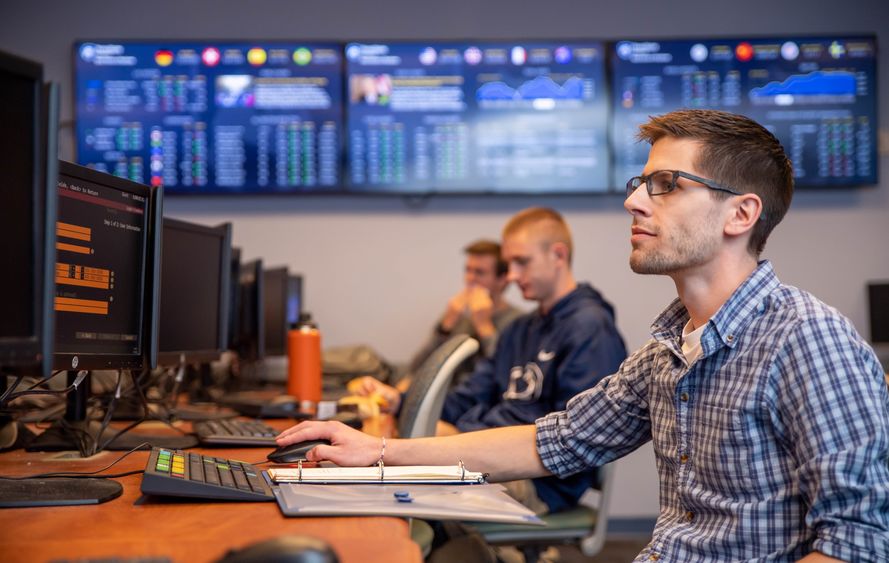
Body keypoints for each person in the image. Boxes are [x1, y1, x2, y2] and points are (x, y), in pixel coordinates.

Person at [277, 110, 889, 561]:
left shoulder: (809, 340)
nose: (635, 203)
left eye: (666, 185)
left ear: (741, 214)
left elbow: (859, 543)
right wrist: (375, 452)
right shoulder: (669, 348)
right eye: (640, 182)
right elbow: (555, 442)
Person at [352, 207, 627, 514]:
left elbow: (576, 436)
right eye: (509, 264)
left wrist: (465, 440)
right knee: (396, 460)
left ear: (558, 255)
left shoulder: (589, 328)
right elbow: (467, 396)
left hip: (540, 480)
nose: (512, 276)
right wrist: (400, 401)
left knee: (408, 480)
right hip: (491, 450)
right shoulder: (518, 330)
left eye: (522, 262)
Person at [406, 239, 523, 379]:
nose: (470, 279)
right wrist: (445, 327)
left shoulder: (518, 321)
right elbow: (417, 368)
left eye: (479, 272)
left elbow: (508, 374)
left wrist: (484, 327)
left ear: (503, 279)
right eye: (468, 270)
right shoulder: (458, 313)